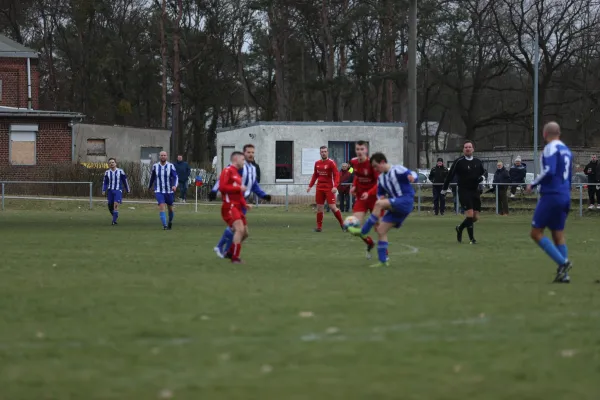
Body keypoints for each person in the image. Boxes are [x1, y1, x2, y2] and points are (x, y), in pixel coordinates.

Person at [347, 152, 417, 268]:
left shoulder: (397, 169)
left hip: (405, 200)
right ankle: (383, 261)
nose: (375, 169)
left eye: (375, 166)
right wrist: (381, 199)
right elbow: (380, 194)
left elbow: (413, 173)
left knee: (378, 204)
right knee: (380, 230)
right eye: (373, 167)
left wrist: (412, 177)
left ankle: (363, 231)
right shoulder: (381, 179)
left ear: (383, 162)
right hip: (396, 206)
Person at [526, 121, 573, 283]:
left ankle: (563, 263)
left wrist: (533, 183)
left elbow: (549, 171)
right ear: (559, 133)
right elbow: (569, 176)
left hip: (552, 195)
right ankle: (564, 275)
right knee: (558, 234)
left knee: (536, 233)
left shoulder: (550, 148)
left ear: (545, 135)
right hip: (565, 195)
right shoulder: (566, 150)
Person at [209, 144, 272, 258]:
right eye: (248, 152)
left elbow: (254, 185)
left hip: (243, 203)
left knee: (240, 231)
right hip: (233, 201)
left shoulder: (253, 168)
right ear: (244, 153)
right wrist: (214, 190)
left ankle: (227, 251)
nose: (251, 154)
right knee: (237, 229)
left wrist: (263, 195)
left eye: (252, 152)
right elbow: (223, 179)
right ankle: (223, 248)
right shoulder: (237, 166)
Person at [442, 140, 486, 244]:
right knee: (469, 214)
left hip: (475, 191)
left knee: (475, 217)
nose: (468, 149)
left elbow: (484, 172)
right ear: (463, 150)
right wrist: (444, 189)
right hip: (464, 190)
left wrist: (482, 177)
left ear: (473, 149)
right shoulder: (459, 161)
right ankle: (472, 239)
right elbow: (450, 175)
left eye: (469, 147)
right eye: (466, 147)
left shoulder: (477, 161)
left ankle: (460, 228)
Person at [349, 141, 380, 258]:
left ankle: (384, 256)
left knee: (379, 228)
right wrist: (354, 186)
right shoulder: (353, 162)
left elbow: (379, 183)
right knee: (355, 226)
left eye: (362, 149)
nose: (360, 152)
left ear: (366, 150)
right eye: (357, 149)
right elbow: (356, 174)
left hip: (375, 199)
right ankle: (369, 243)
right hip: (361, 199)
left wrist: (369, 192)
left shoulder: (372, 164)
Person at [218, 151, 249, 264]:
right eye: (243, 159)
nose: (244, 162)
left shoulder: (237, 173)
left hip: (238, 206)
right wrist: (238, 188)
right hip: (229, 206)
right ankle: (235, 258)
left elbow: (239, 194)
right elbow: (222, 187)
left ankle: (230, 252)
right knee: (239, 230)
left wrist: (244, 204)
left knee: (245, 233)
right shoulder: (227, 171)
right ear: (236, 159)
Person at [307, 146, 344, 231]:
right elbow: (315, 175)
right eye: (322, 152)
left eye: (325, 151)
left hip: (329, 188)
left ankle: (342, 224)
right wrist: (310, 186)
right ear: (320, 153)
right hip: (319, 188)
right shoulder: (317, 163)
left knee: (332, 207)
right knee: (319, 207)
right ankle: (319, 227)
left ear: (327, 152)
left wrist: (335, 186)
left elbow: (336, 175)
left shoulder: (331, 163)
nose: (323, 153)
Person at [148, 151, 178, 230]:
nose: (163, 156)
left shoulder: (171, 166)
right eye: (161, 155)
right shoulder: (155, 166)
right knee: (161, 206)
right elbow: (152, 177)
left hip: (169, 191)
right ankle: (164, 225)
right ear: (159, 156)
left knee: (170, 209)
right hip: (159, 190)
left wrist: (174, 185)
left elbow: (175, 177)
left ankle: (170, 222)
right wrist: (149, 186)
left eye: (164, 155)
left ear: (167, 157)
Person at [101, 157, 130, 225]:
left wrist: (127, 189)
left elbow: (124, 181)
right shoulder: (107, 172)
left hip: (118, 190)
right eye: (110, 163)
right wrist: (103, 190)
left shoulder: (120, 171)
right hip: (110, 191)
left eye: (113, 162)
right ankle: (115, 215)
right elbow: (105, 182)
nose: (111, 164)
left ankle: (113, 221)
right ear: (109, 164)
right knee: (110, 205)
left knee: (116, 204)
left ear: (116, 163)